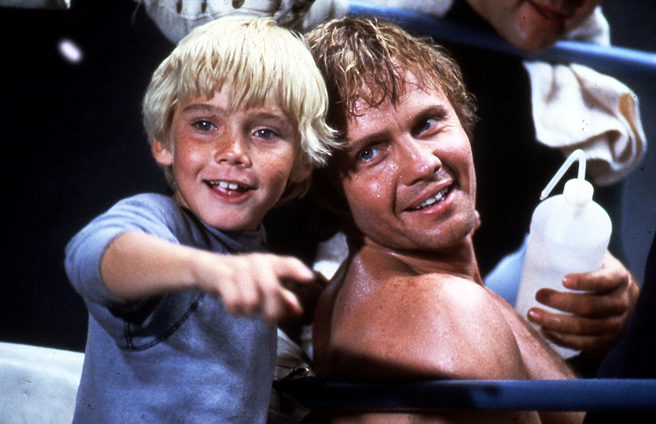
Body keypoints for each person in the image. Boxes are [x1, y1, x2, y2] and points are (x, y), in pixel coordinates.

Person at [305, 16, 583, 423]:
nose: (423, 164)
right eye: (370, 153)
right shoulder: (446, 307)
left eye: (427, 123)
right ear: (329, 195)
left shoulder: (359, 288)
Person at [64, 16, 337, 423]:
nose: (233, 152)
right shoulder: (161, 224)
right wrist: (204, 271)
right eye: (205, 124)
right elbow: (92, 255)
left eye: (265, 132)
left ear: (303, 162)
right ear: (163, 141)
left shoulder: (245, 248)